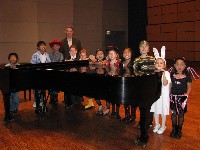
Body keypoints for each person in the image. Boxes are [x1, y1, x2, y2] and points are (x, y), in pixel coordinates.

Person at [133, 40, 155, 144]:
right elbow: (135, 71)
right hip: (141, 85)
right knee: (142, 105)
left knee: (149, 105)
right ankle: (143, 122)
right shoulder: (137, 60)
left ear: (148, 49)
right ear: (139, 49)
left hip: (150, 85)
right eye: (142, 47)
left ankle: (148, 122)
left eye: (145, 47)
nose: (144, 48)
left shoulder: (152, 59)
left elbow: (155, 70)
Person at [150, 46, 171, 134]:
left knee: (162, 110)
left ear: (164, 65)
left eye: (161, 63)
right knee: (155, 109)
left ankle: (163, 126)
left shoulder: (166, 73)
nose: (159, 64)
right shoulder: (153, 73)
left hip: (163, 95)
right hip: (156, 95)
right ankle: (157, 124)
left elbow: (166, 83)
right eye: (157, 63)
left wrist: (162, 74)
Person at [169, 57, 192, 139]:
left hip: (182, 98)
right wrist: (168, 95)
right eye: (178, 64)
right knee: (174, 114)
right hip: (173, 98)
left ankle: (179, 130)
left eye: (182, 64)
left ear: (185, 66)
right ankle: (174, 129)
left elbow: (189, 87)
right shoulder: (172, 76)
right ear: (174, 66)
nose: (179, 66)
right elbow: (170, 86)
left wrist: (186, 96)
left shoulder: (187, 77)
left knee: (181, 115)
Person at [31, 41, 51, 112]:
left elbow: (49, 64)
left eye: (44, 45)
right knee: (37, 90)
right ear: (38, 47)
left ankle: (42, 102)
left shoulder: (47, 55)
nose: (43, 47)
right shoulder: (35, 55)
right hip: (37, 75)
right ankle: (36, 102)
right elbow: (33, 66)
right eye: (42, 45)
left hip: (45, 75)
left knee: (43, 90)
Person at [120, 48, 136, 123]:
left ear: (131, 54)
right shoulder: (121, 63)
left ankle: (133, 116)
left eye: (128, 52)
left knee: (132, 100)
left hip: (132, 83)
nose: (126, 54)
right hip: (125, 83)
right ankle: (127, 115)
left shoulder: (134, 63)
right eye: (124, 53)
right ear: (122, 54)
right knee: (126, 100)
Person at [105, 46, 121, 119]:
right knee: (112, 98)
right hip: (110, 82)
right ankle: (113, 111)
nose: (111, 55)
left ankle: (117, 112)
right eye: (109, 54)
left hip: (117, 82)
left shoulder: (118, 63)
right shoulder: (107, 63)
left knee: (117, 98)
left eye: (112, 54)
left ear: (116, 55)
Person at [48, 39, 64, 105]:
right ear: (52, 47)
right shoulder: (49, 54)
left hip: (57, 73)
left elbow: (60, 63)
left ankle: (55, 98)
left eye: (57, 46)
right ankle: (51, 98)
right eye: (54, 46)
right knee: (50, 86)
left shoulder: (61, 55)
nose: (55, 47)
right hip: (50, 73)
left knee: (56, 86)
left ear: (59, 47)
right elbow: (48, 62)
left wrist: (53, 64)